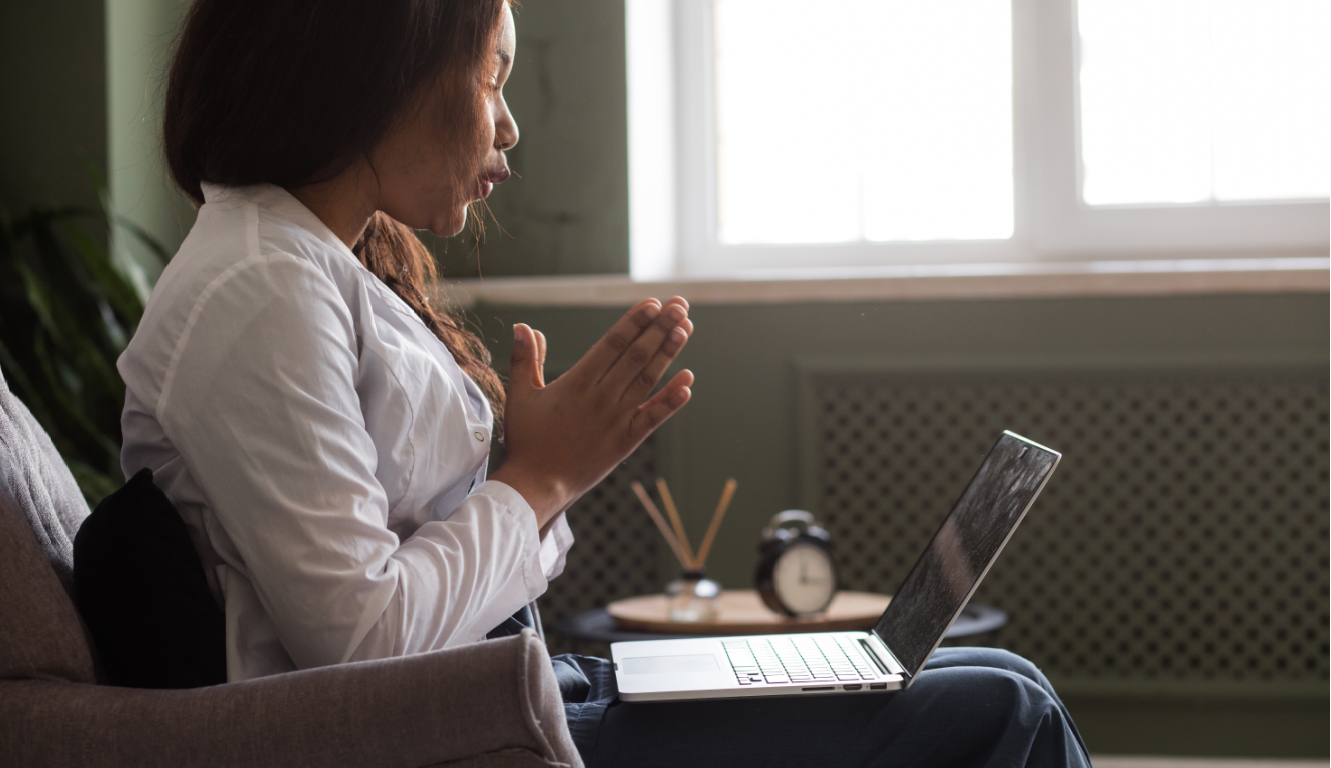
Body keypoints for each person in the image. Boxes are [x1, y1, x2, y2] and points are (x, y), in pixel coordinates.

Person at [120, 0, 1092, 765]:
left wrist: (540, 479)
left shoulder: (313, 267)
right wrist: (540, 478)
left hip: (516, 695)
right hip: (455, 737)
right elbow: (365, 647)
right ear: (380, 71)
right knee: (1006, 709)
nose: (507, 124)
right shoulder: (259, 288)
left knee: (996, 672)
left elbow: (443, 579)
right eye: (491, 74)